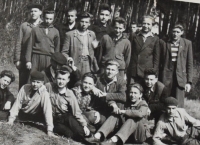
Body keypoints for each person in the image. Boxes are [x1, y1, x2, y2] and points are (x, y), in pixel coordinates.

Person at [45, 66, 91, 141]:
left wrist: (84, 125)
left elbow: (77, 112)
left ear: (68, 80)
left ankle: (90, 138)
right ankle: (83, 140)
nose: (61, 81)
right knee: (69, 134)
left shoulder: (70, 94)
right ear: (55, 78)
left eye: (63, 79)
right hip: (52, 119)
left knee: (79, 130)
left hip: (65, 117)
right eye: (59, 78)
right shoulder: (48, 86)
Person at [7, 71, 57, 138]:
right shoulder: (24, 87)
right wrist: (11, 119)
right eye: (33, 81)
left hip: (35, 115)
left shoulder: (44, 93)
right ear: (30, 81)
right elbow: (17, 103)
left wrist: (49, 130)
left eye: (38, 82)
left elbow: (47, 110)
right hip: (22, 113)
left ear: (42, 83)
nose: (35, 84)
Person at [160, 22, 193, 108]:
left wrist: (189, 82)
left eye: (178, 32)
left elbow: (189, 64)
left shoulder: (187, 43)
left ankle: (179, 121)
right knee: (165, 102)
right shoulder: (165, 43)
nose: (175, 34)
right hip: (166, 77)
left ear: (182, 32)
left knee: (179, 105)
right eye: (174, 31)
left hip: (180, 78)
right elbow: (160, 61)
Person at [14, 3, 43, 89]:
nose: (33, 13)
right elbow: (18, 43)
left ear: (40, 12)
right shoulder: (24, 25)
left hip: (38, 58)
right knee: (23, 82)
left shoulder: (43, 25)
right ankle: (21, 101)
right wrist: (17, 59)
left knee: (36, 82)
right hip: (24, 58)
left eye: (35, 11)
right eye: (31, 11)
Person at [61, 12, 98, 76]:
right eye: (82, 21)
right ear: (78, 22)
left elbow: (94, 50)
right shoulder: (70, 34)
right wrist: (69, 59)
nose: (84, 24)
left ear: (89, 23)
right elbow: (64, 52)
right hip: (75, 64)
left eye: (86, 22)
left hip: (88, 64)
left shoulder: (92, 34)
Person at [128, 15, 160, 84]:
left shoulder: (155, 39)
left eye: (148, 24)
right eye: (144, 23)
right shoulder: (134, 36)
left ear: (152, 25)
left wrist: (155, 73)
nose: (146, 26)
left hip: (147, 72)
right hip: (134, 70)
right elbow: (129, 52)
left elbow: (156, 58)